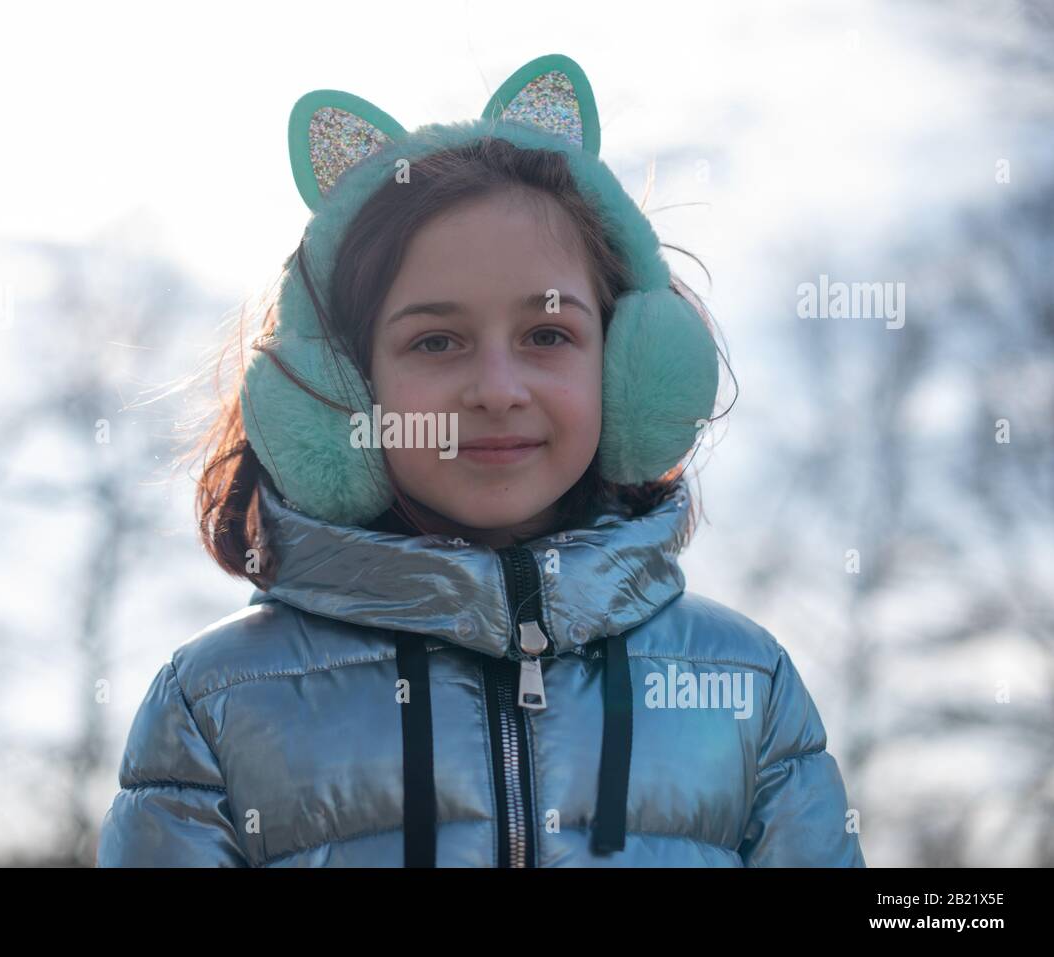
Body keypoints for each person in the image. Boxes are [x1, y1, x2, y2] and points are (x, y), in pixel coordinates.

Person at [95, 53, 866, 867]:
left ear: (626, 365)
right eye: (436, 340)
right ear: (344, 390)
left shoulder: (748, 686)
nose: (497, 389)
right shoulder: (215, 703)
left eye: (547, 335)